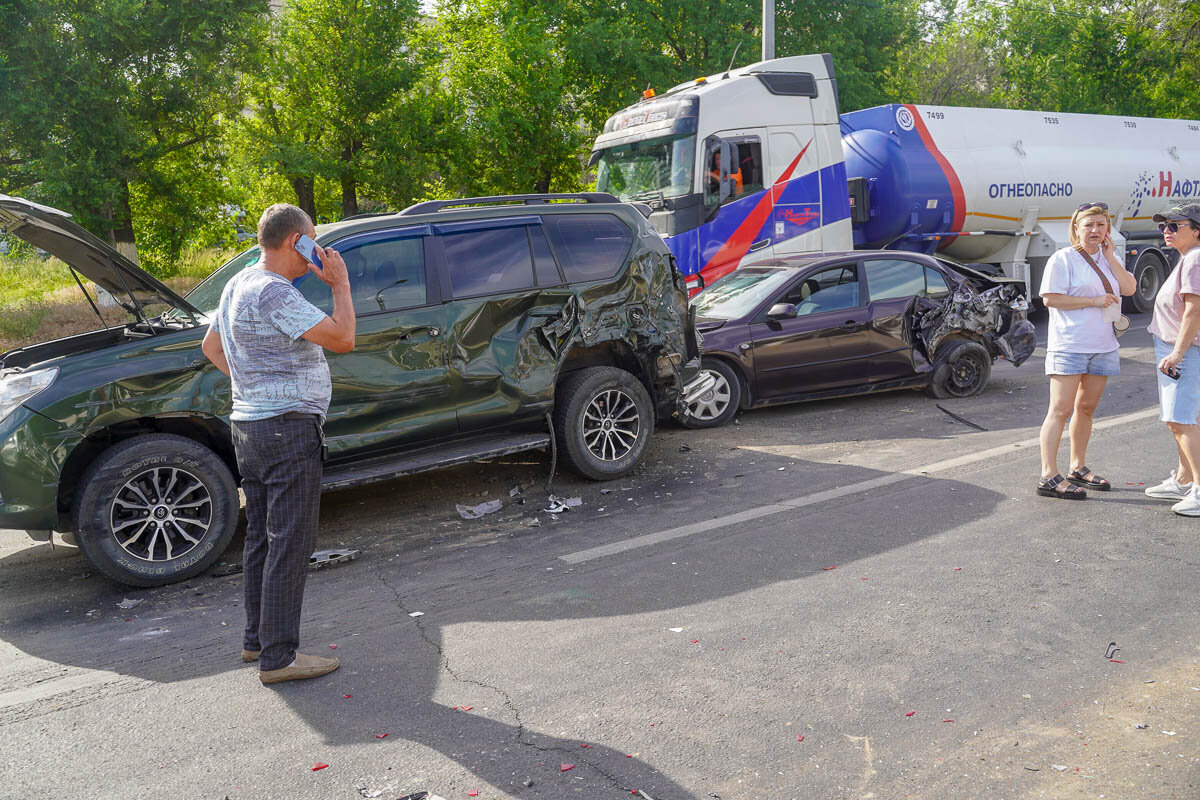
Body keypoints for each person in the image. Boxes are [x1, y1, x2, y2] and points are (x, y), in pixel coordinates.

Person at [201, 203, 356, 684]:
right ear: (297, 242)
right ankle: (279, 659)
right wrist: (340, 285)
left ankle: (256, 642)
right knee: (291, 542)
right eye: (312, 240)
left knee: (262, 538)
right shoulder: (273, 291)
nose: (318, 249)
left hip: (249, 427)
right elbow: (344, 338)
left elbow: (210, 347)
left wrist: (256, 383)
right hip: (288, 429)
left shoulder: (238, 283)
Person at [1036, 202, 1136, 499]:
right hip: (1070, 344)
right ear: (1076, 228)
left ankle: (1077, 467)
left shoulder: (1109, 258)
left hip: (1103, 345)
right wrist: (1093, 302)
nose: (1095, 230)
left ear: (1108, 230)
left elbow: (1129, 288)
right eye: (1089, 225)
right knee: (1060, 410)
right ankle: (1048, 475)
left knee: (1086, 408)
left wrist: (1111, 257)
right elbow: (1050, 299)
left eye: (1101, 225)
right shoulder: (1062, 259)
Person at [1144, 203, 1200, 515]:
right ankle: (1183, 480)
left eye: (1175, 225)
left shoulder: (1195, 260)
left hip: (1183, 352)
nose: (1167, 231)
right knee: (1176, 419)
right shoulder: (1187, 258)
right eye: (1164, 226)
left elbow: (1194, 310)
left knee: (1181, 420)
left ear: (1197, 231)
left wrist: (1178, 352)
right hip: (1174, 349)